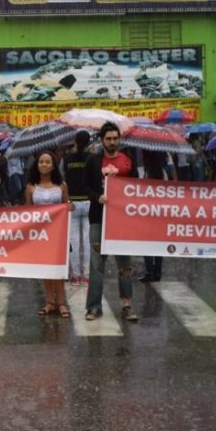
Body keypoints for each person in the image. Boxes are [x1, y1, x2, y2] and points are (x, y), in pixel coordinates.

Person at [84, 121, 138, 322]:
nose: (112, 142)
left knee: (124, 263)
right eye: (109, 139)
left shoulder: (128, 160)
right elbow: (86, 187)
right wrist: (97, 196)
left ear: (119, 139)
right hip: (98, 219)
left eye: (115, 138)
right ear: (102, 140)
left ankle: (127, 305)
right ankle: (93, 307)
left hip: (122, 221)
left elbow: (136, 188)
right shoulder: (93, 162)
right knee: (97, 264)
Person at [26, 150, 71, 317]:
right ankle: (49, 302)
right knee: (46, 269)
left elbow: (66, 206)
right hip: (40, 235)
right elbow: (27, 212)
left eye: (47, 162)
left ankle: (61, 303)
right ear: (37, 165)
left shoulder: (61, 186)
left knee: (57, 268)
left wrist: (70, 207)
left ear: (53, 166)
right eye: (41, 162)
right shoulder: (31, 187)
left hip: (58, 234)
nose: (44, 164)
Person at [140, 149, 174, 283]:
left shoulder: (147, 172)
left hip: (148, 211)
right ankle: (157, 270)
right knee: (159, 240)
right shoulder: (164, 169)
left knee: (147, 241)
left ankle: (149, 271)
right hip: (162, 211)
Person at [63, 131, 92, 284]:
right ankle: (86, 275)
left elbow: (62, 181)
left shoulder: (66, 159)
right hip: (89, 202)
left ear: (74, 141)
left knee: (73, 240)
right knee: (87, 240)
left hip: (72, 203)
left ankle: (74, 275)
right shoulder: (92, 158)